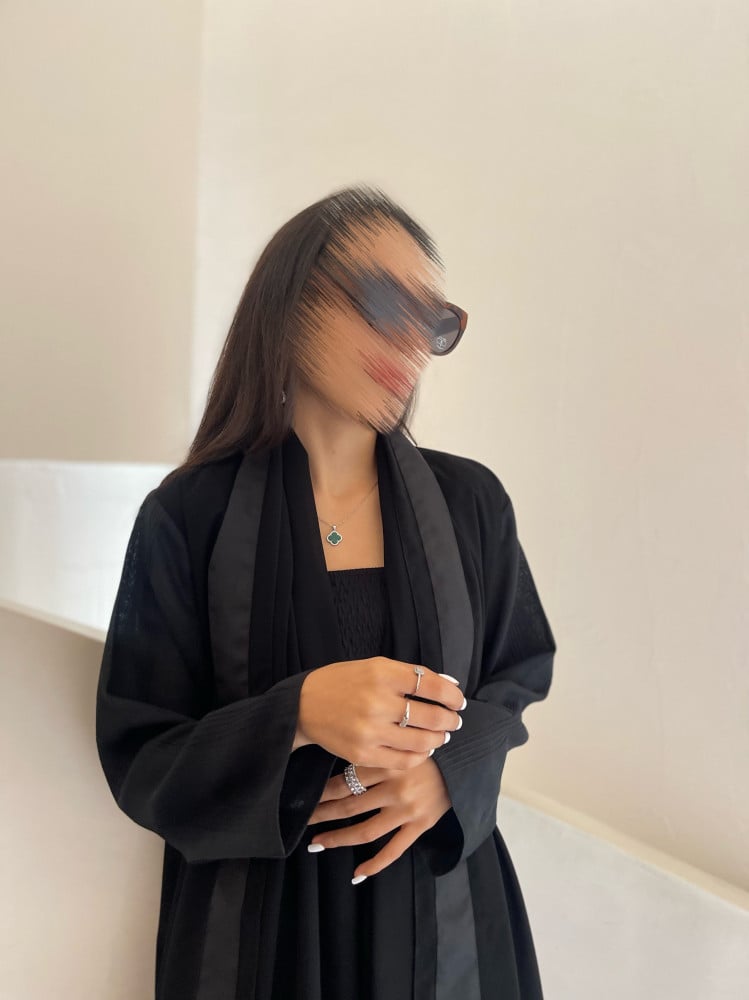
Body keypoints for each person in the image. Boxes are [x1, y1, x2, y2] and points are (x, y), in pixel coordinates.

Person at [95, 184, 557, 1000]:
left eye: (432, 321)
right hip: (266, 938)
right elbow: (143, 753)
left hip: (443, 917)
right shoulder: (189, 516)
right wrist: (300, 712)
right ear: (290, 300)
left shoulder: (470, 505)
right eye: (381, 301)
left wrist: (449, 774)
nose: (409, 338)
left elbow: (514, 679)